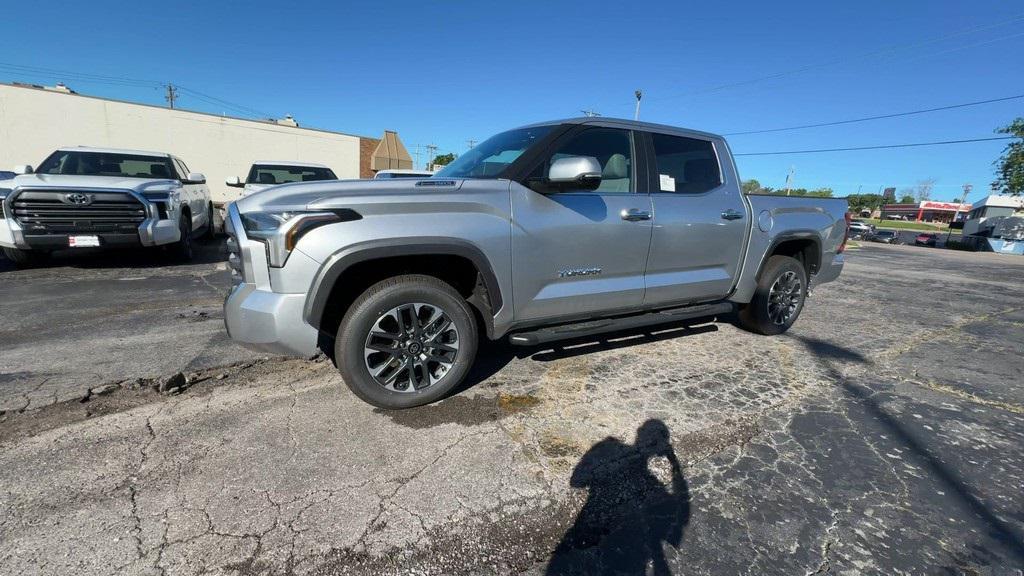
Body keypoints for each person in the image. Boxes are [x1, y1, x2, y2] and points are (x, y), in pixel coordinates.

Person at [546, 419, 690, 575]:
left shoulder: (611, 448)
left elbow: (577, 481)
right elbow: (681, 514)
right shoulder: (637, 467)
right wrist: (673, 462)